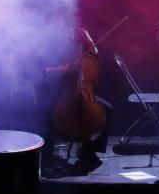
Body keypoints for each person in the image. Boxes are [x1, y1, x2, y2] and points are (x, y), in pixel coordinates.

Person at [41, 27, 112, 173]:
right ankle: (46, 157)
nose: (70, 33)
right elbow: (44, 70)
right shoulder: (51, 45)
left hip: (80, 93)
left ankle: (88, 154)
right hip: (57, 95)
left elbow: (95, 57)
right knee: (53, 116)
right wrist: (64, 68)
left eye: (73, 32)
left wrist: (89, 40)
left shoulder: (78, 48)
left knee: (106, 109)